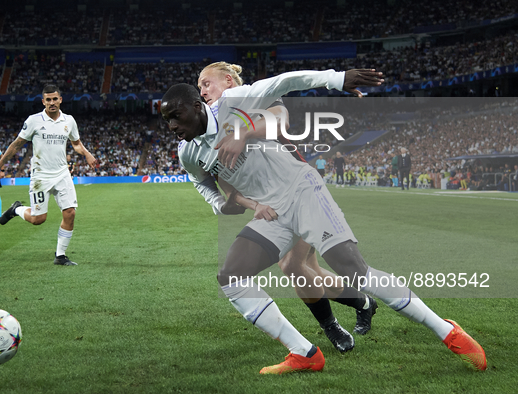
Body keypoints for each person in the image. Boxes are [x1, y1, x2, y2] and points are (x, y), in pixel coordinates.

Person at [161, 70, 486, 374]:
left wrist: (337, 78)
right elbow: (201, 182)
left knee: (353, 269)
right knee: (231, 276)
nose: (172, 126)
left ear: (196, 106)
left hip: (302, 192)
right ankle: (303, 352)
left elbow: (285, 82)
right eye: (166, 120)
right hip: (272, 212)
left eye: (176, 116)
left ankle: (447, 331)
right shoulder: (187, 151)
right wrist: (221, 203)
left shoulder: (235, 102)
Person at [197, 62, 378, 354]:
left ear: (228, 80)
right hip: (272, 201)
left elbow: (280, 117)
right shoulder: (213, 128)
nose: (202, 91)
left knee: (295, 266)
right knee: (308, 269)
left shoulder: (252, 99)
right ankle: (363, 303)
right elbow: (223, 183)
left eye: (206, 83)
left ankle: (334, 324)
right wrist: (239, 203)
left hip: (297, 191)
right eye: (199, 87)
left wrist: (335, 79)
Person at [0, 85, 97, 266]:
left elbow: (76, 144)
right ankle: (17, 209)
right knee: (38, 219)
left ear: (60, 99)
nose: (52, 103)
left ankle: (60, 256)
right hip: (40, 177)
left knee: (70, 213)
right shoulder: (34, 121)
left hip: (62, 173)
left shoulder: (69, 120)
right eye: (48, 100)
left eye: (55, 99)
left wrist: (86, 153)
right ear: (43, 101)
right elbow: (16, 145)